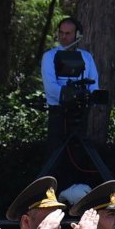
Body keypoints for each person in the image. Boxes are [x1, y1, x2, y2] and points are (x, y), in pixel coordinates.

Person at [40, 18, 99, 150]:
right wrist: (70, 95)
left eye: (68, 33)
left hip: (81, 114)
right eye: (61, 32)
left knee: (78, 153)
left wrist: (90, 97)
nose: (63, 36)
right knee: (55, 154)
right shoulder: (49, 56)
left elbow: (94, 83)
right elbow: (50, 87)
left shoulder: (87, 57)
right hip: (58, 113)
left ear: (77, 35)